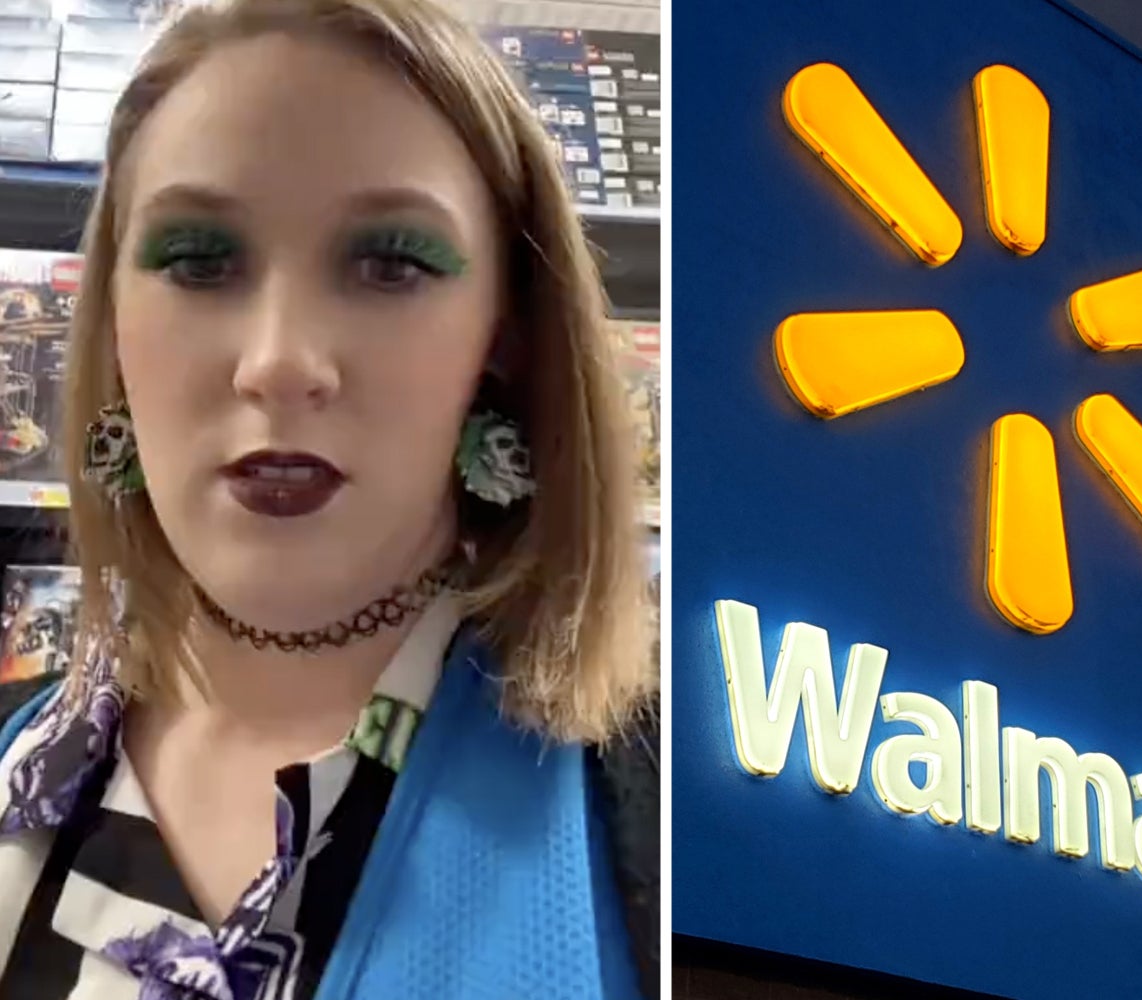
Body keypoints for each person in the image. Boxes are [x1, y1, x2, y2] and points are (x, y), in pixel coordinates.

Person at [0, 0, 659, 996]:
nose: (278, 364)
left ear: (505, 337)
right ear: (114, 328)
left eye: (390, 263)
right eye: (198, 261)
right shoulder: (23, 761)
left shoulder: (655, 805)